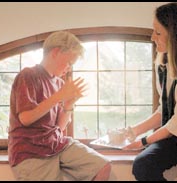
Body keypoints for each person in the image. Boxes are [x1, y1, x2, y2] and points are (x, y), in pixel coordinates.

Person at [122, 2, 177, 181]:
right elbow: (165, 109)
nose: (152, 38)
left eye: (158, 32)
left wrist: (143, 141)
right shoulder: (163, 60)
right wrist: (133, 131)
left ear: (175, 36)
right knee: (143, 164)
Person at [8, 31, 111, 181]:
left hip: (57, 144)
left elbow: (60, 127)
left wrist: (69, 105)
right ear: (55, 52)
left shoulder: (60, 83)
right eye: (69, 62)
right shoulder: (28, 75)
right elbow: (26, 118)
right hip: (30, 150)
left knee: (103, 167)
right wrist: (60, 96)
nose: (69, 68)